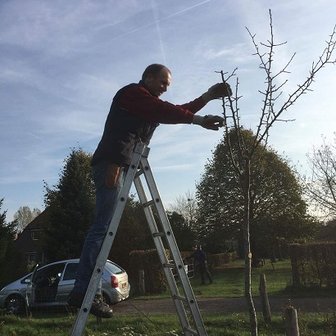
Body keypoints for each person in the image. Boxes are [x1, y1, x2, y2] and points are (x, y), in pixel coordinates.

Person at [68, 64, 232, 317]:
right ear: (148, 77)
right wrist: (199, 120)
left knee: (104, 227)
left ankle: (85, 289)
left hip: (122, 165)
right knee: (102, 228)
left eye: (168, 85)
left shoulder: (148, 103)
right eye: (163, 82)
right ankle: (84, 291)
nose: (166, 88)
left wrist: (207, 97)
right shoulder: (131, 94)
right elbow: (165, 111)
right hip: (112, 164)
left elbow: (175, 110)